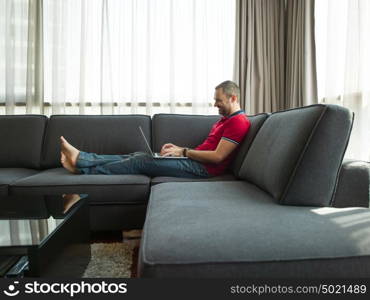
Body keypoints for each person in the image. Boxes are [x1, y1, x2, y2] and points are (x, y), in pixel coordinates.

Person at [60, 80, 251, 178]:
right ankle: (82, 159)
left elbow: (218, 157)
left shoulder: (238, 122)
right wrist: (179, 151)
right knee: (137, 155)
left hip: (204, 170)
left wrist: (184, 151)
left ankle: (82, 167)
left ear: (233, 98)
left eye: (219, 100)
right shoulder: (224, 120)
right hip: (195, 162)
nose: (215, 104)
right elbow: (207, 149)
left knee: (141, 161)